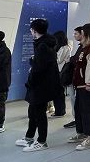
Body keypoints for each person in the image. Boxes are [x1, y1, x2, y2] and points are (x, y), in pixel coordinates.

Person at [15, 19, 61, 152]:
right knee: (33, 111)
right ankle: (29, 136)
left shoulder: (43, 46)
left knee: (39, 113)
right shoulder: (44, 43)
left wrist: (30, 81)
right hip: (40, 84)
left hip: (40, 85)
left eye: (31, 29)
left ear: (34, 30)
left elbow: (39, 68)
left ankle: (41, 141)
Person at [66, 23, 90, 150]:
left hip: (87, 85)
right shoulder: (85, 47)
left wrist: (89, 82)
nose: (80, 34)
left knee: (88, 111)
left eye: (82, 32)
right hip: (80, 85)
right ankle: (82, 132)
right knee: (79, 109)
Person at [63, 26, 83, 129]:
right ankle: (77, 119)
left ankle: (79, 121)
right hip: (76, 78)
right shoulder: (81, 47)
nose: (74, 35)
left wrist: (70, 60)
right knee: (74, 99)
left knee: (76, 100)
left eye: (76, 33)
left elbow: (77, 60)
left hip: (81, 80)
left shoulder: (86, 47)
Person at [49, 30, 71, 118]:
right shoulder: (61, 48)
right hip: (57, 71)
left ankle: (60, 111)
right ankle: (58, 110)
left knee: (59, 93)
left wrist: (51, 54)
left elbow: (59, 60)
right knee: (58, 92)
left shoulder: (64, 48)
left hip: (60, 72)